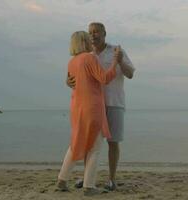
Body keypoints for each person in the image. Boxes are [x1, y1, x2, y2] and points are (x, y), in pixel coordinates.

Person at [67, 22, 135, 191]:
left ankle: (111, 179)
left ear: (104, 33)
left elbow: (130, 73)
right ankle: (87, 179)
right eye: (90, 32)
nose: (93, 35)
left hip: (114, 102)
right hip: (92, 106)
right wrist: (67, 82)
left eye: (97, 31)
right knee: (88, 142)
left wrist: (119, 61)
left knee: (113, 142)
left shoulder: (116, 51)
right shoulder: (86, 55)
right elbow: (73, 79)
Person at [56, 31, 119, 196]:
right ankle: (89, 186)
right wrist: (115, 62)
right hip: (92, 107)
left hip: (77, 107)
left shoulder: (71, 62)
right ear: (84, 41)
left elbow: (71, 82)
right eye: (88, 38)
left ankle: (62, 179)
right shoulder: (89, 58)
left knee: (76, 142)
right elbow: (104, 78)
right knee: (94, 147)